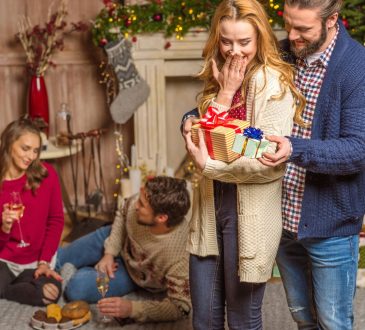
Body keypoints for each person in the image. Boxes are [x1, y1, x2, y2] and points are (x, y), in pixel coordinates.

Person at [182, 0, 305, 329]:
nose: (234, 51)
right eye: (226, 41)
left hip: (249, 214)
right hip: (210, 207)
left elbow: (266, 156)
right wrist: (226, 93)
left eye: (244, 42)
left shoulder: (274, 83)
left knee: (242, 317)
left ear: (260, 38)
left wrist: (214, 159)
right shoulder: (218, 75)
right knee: (204, 316)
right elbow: (210, 141)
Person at [258, 0, 365, 329]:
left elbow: (357, 149)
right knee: (303, 319)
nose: (291, 36)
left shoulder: (356, 66)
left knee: (333, 324)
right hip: (282, 219)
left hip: (331, 227)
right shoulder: (281, 52)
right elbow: (234, 99)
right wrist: (194, 119)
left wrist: (293, 148)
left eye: (303, 29)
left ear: (332, 19)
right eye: (287, 24)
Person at [56, 176, 191, 323]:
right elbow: (123, 210)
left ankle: (87, 267)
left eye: (142, 204)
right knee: (57, 258)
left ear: (161, 218)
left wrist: (133, 309)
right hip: (117, 239)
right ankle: (91, 263)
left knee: (76, 290)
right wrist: (109, 252)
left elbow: (181, 307)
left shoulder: (180, 255)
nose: (136, 205)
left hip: (136, 275)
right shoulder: (141, 200)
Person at [0, 117, 64, 306]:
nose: (30, 156)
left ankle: (11, 287)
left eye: (35, 151)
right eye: (25, 148)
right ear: (9, 143)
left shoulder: (47, 174)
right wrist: (4, 227)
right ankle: (14, 286)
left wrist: (44, 262)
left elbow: (56, 220)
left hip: (37, 261)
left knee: (51, 294)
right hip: (5, 260)